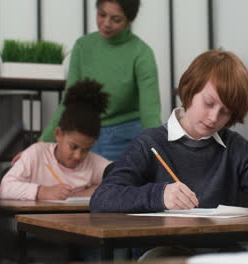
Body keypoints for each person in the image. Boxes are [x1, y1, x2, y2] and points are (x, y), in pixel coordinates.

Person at [90, 49, 248, 258]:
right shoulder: (149, 143)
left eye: (225, 112)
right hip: (163, 253)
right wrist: (159, 195)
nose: (214, 118)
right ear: (189, 89)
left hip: (221, 253)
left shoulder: (234, 147)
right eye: (208, 103)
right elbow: (102, 199)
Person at [38, 0, 161, 162]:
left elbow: (150, 112)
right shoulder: (83, 47)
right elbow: (69, 101)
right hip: (84, 136)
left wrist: (158, 151)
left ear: (129, 20)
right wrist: (41, 145)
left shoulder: (141, 53)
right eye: (101, 14)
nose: (106, 23)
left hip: (126, 138)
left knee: (114, 185)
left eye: (116, 19)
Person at [0, 79, 111, 200]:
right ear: (58, 134)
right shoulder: (37, 154)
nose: (78, 156)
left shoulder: (92, 163)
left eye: (86, 149)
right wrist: (42, 192)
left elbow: (125, 177)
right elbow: (5, 188)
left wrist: (79, 195)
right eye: (73, 147)